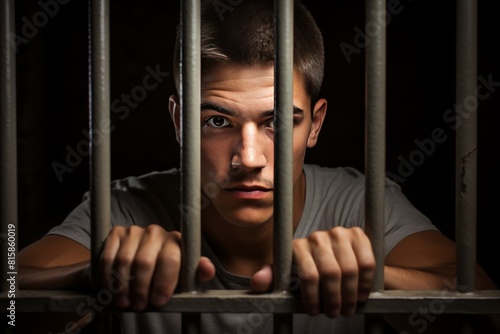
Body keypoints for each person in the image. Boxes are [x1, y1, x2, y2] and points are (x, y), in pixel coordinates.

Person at [18, 0, 498, 333]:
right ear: (179, 123)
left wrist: (377, 279)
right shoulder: (122, 208)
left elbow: (484, 305)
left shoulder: (362, 203)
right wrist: (89, 277)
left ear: (315, 124)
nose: (248, 158)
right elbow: (9, 300)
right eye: (217, 120)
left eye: (277, 122)